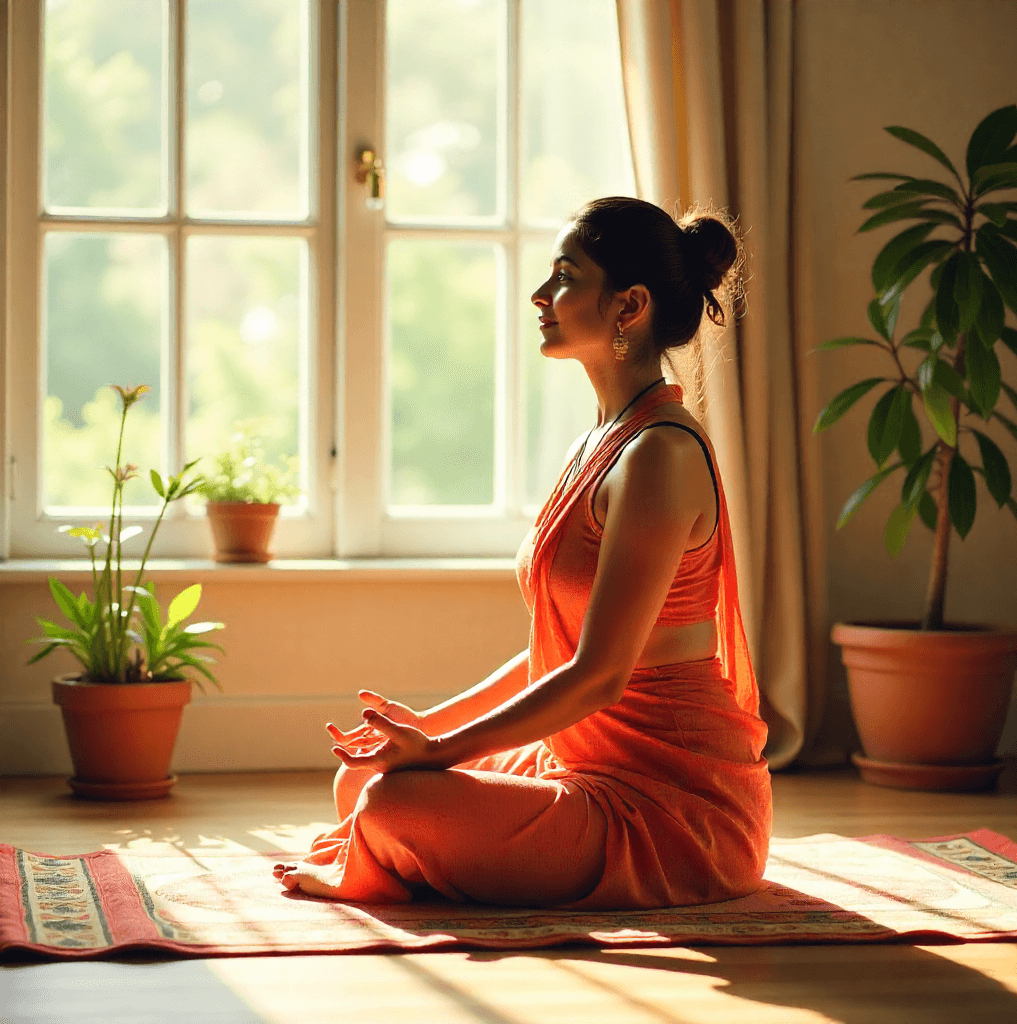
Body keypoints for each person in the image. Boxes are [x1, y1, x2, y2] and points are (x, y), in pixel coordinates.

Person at [273, 197, 771, 909]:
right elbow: (556, 657)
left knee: (389, 804)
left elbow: (597, 677)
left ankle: (395, 857)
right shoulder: (598, 443)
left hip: (669, 807)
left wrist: (438, 753)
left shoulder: (661, 454)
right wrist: (426, 728)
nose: (542, 296)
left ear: (629, 305)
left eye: (566, 277)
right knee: (362, 781)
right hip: (580, 760)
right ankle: (407, 854)